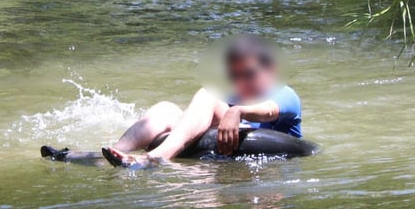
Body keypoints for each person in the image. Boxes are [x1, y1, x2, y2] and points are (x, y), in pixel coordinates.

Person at [102, 35, 301, 168]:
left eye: (249, 73)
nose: (241, 82)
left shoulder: (284, 94)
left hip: (266, 171)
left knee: (208, 95)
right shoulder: (229, 98)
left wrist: (237, 112)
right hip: (215, 162)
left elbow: (268, 111)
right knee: (165, 109)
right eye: (235, 76)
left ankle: (153, 158)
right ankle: (114, 153)